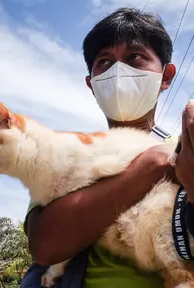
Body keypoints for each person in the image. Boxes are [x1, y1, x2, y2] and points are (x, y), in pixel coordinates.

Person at [21, 7, 194, 288]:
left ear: (166, 76)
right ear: (91, 83)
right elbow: (45, 244)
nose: (118, 72)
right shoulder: (68, 155)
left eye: (135, 58)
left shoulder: (187, 148)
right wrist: (153, 165)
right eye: (104, 62)